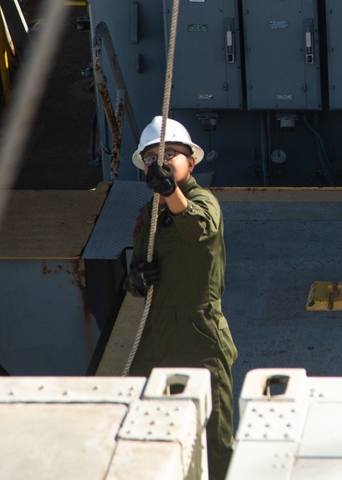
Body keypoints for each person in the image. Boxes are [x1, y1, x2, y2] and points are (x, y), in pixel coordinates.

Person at [125, 116, 238, 480]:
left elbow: (199, 228)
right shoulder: (149, 214)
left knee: (215, 439)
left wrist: (171, 191)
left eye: (170, 153)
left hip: (198, 334)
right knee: (144, 424)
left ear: (190, 161)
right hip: (156, 337)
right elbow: (138, 267)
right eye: (151, 157)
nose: (160, 161)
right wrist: (137, 278)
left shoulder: (203, 201)